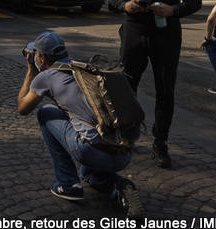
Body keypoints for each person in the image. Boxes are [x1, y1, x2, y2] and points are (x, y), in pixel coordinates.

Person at [108, 0, 201, 169]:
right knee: (127, 87)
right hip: (134, 29)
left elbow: (195, 1)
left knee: (165, 89)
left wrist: (174, 10)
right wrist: (124, 5)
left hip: (166, 32)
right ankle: (127, 135)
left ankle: (160, 143)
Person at [16, 31, 142, 218]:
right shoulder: (83, 68)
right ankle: (119, 187)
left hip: (91, 151)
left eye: (35, 55)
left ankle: (68, 185)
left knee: (45, 112)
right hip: (123, 150)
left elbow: (22, 108)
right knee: (89, 174)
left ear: (41, 58)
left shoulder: (46, 77)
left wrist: (31, 71)